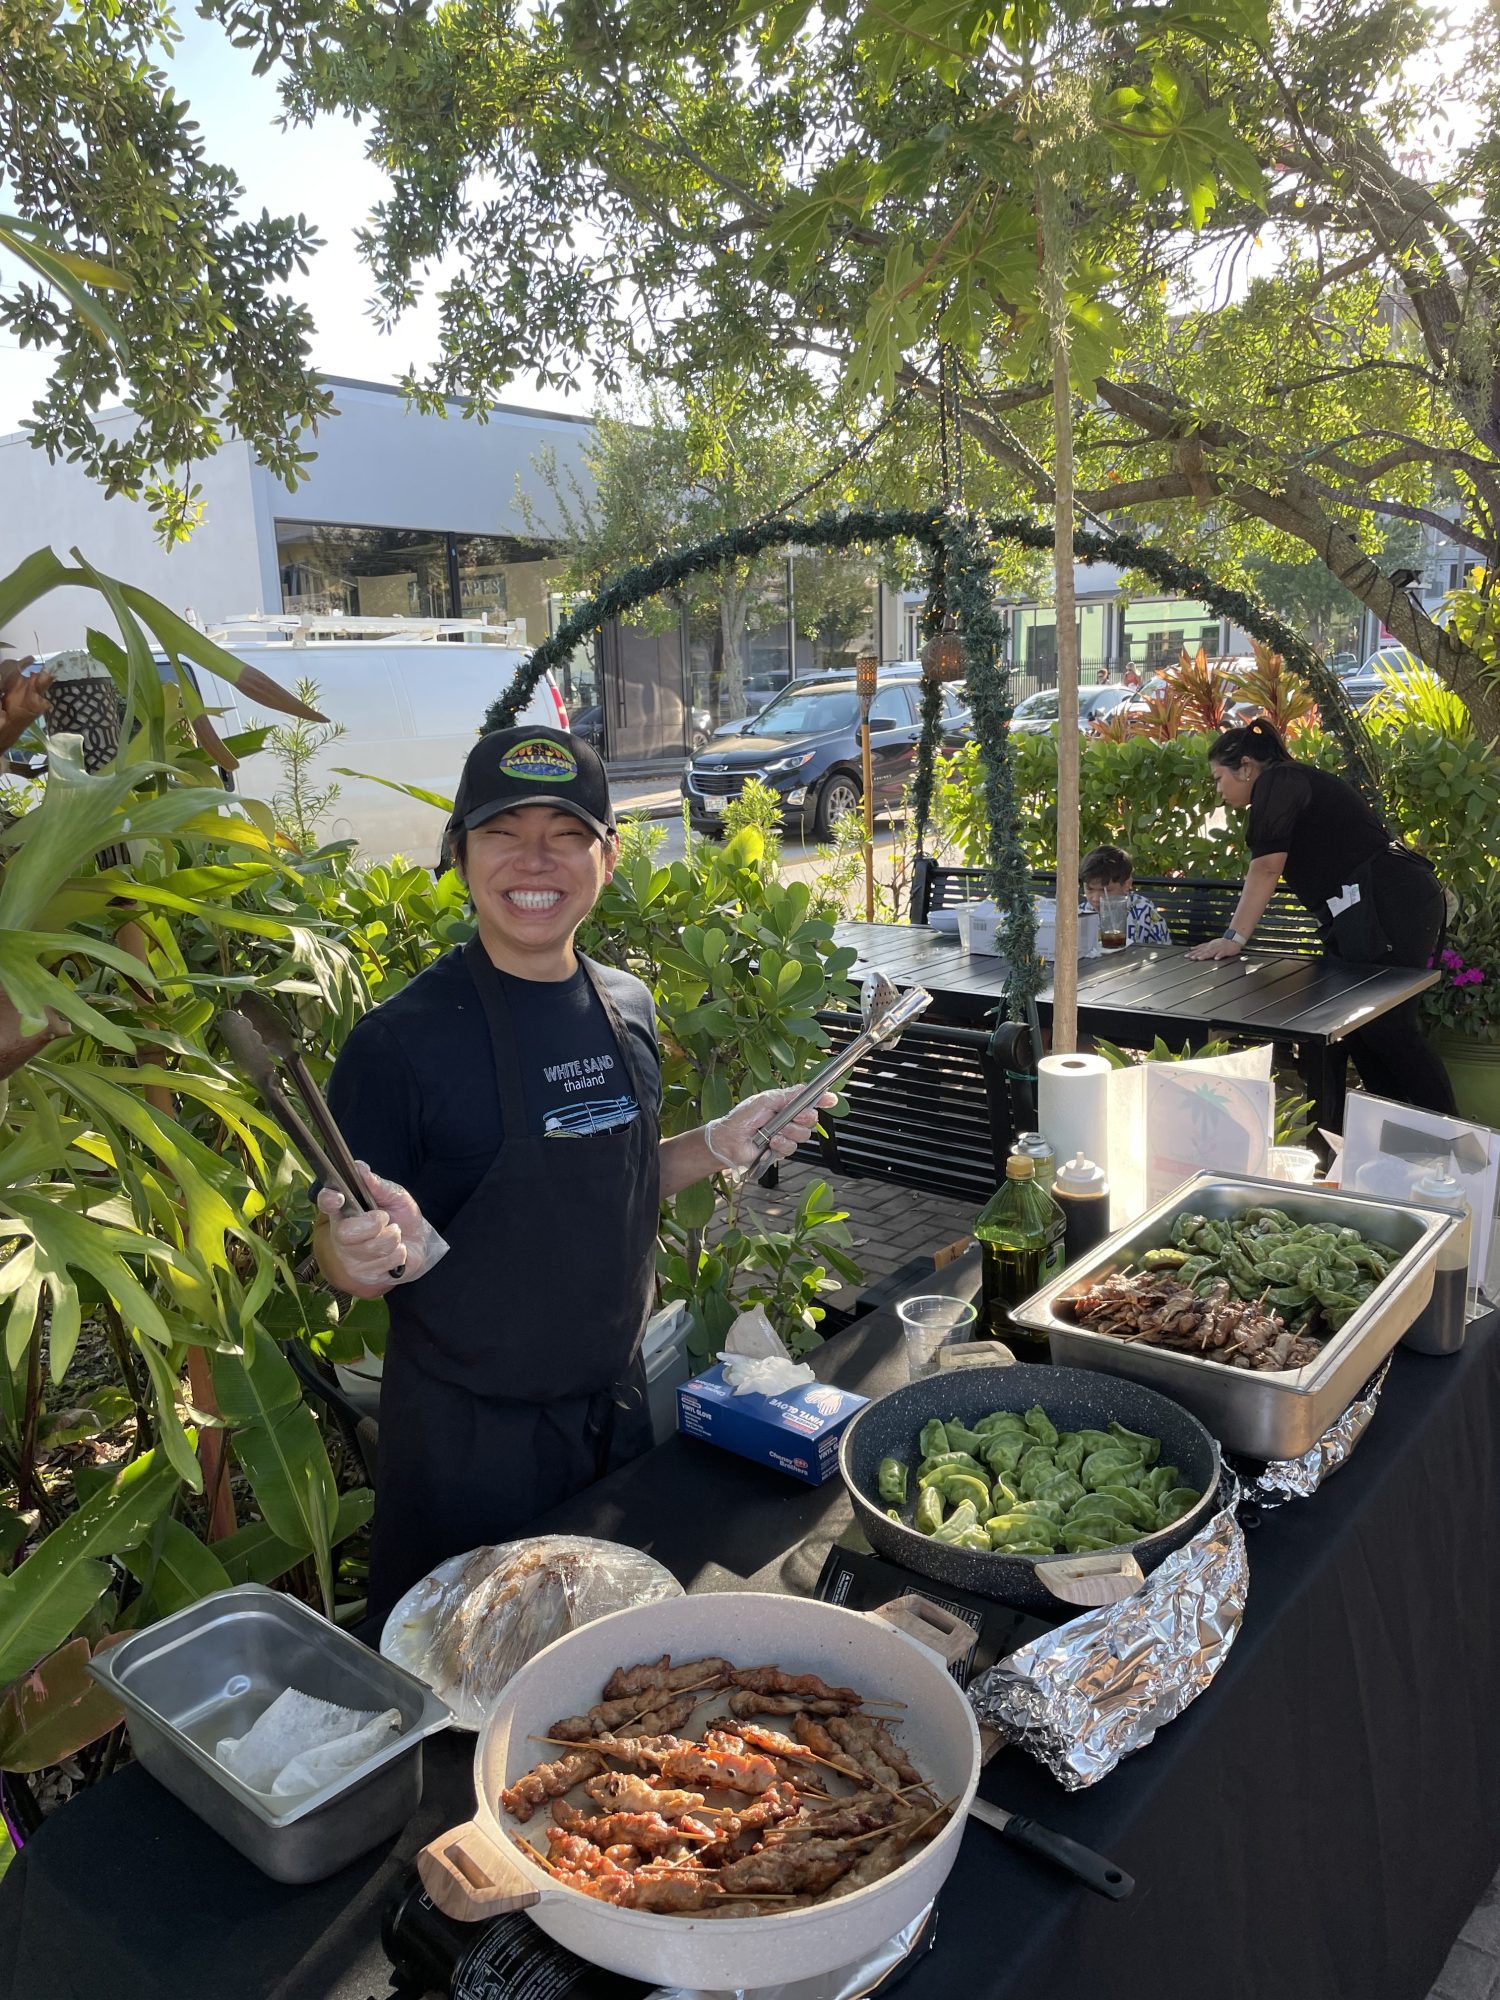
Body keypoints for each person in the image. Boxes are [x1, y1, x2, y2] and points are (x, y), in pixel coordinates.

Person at [314, 725, 832, 1617]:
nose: (534, 859)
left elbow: (617, 1178)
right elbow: (343, 1251)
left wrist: (715, 1142)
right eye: (503, 831)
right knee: (467, 1701)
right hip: (468, 1444)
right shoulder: (398, 1045)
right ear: (458, 853)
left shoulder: (625, 1003)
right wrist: (350, 1254)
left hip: (617, 1412)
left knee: (604, 1684)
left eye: (565, 833)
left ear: (608, 853)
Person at [1186, 717, 1455, 1114]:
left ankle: (1453, 1138)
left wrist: (1234, 938)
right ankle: (1396, 1134)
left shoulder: (1277, 783)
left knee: (1388, 1026)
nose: (1218, 789)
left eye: (1218, 777)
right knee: (1361, 1028)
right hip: (1367, 909)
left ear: (1245, 767)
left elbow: (1266, 868)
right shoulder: (1283, 782)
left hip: (1391, 902)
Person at [1079, 844, 1170, 945]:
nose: (1095, 898)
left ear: (1126, 885)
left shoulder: (1144, 911)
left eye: (1106, 891)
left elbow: (1165, 947)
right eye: (1089, 889)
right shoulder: (1081, 914)